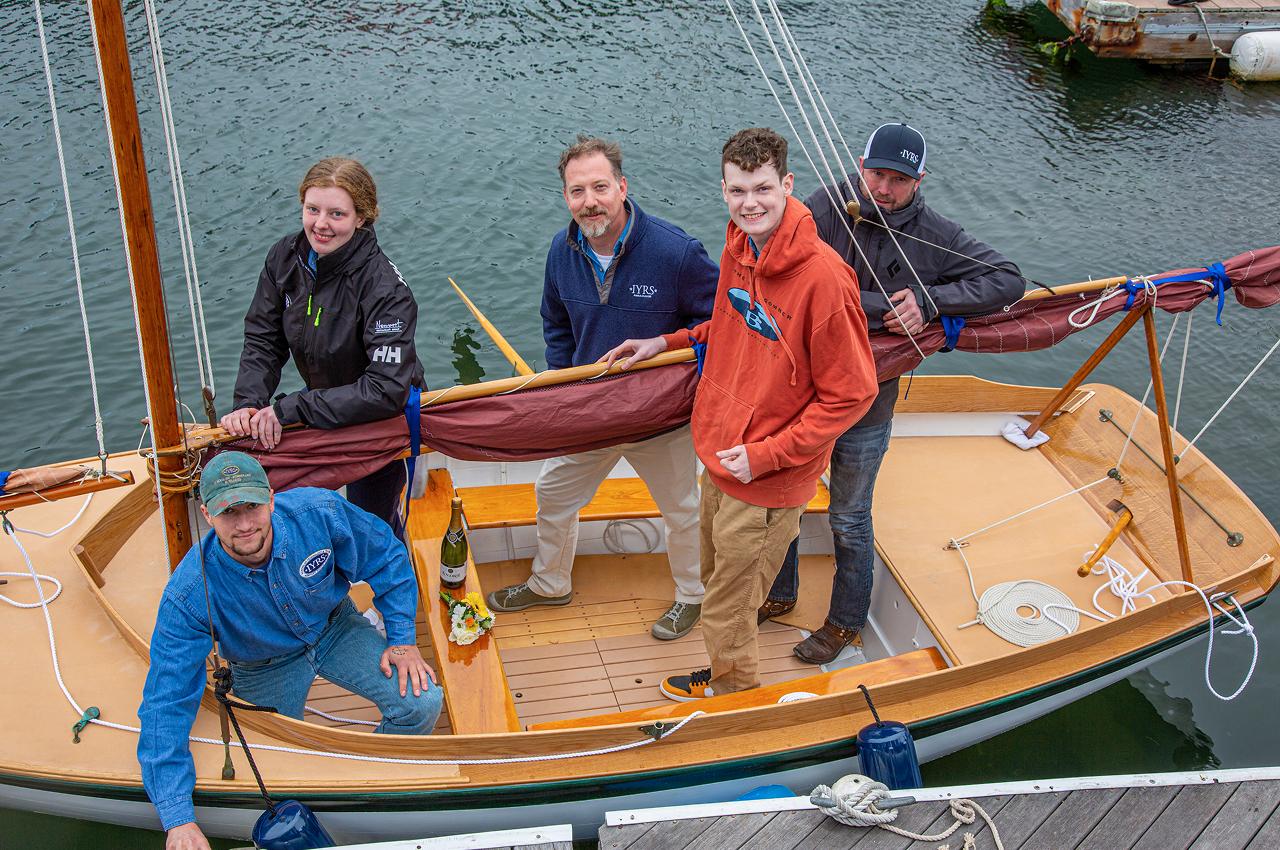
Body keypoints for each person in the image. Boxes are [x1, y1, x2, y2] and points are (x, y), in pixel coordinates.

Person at [603, 128, 878, 699]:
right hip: (721, 451)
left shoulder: (825, 280)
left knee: (729, 603)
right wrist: (670, 341)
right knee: (716, 582)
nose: (749, 203)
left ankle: (736, 702)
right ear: (723, 190)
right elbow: (733, 325)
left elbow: (853, 394)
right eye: (736, 190)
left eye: (762, 189)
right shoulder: (738, 248)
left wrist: (764, 456)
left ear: (787, 185)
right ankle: (730, 674)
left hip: (768, 475)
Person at [761, 122, 1026, 665]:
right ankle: (779, 592)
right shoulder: (828, 205)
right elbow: (778, 264)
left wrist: (932, 300)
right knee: (785, 499)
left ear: (919, 180)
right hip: (801, 393)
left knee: (849, 517)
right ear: (861, 166)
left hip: (868, 403)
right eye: (876, 174)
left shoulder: (938, 234)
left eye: (898, 180)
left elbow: (1008, 279)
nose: (882, 188)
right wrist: (882, 308)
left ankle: (843, 622)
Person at [137, 452, 441, 850]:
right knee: (274, 764)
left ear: (272, 499)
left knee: (422, 703)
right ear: (208, 518)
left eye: (251, 506)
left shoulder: (319, 512)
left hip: (335, 628)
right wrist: (178, 818)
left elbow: (386, 556)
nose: (245, 525)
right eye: (229, 513)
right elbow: (167, 700)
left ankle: (367, 780)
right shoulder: (190, 593)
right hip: (261, 666)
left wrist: (401, 640)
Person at [485, 135, 718, 641]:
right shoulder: (561, 251)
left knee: (681, 508)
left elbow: (722, 322)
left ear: (622, 187)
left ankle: (692, 597)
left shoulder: (677, 252)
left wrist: (666, 342)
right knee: (552, 491)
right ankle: (550, 584)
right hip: (592, 410)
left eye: (599, 187)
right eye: (576, 191)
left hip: (661, 418)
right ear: (565, 197)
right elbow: (556, 324)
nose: (589, 201)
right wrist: (566, 393)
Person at [221, 157, 423, 536]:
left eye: (337, 214)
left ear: (361, 217)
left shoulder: (386, 290)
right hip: (320, 408)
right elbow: (264, 337)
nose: (321, 224)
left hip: (378, 423)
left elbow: (385, 389)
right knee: (301, 516)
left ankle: (395, 585)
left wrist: (290, 408)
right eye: (312, 209)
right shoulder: (285, 258)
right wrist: (249, 403)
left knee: (373, 525)